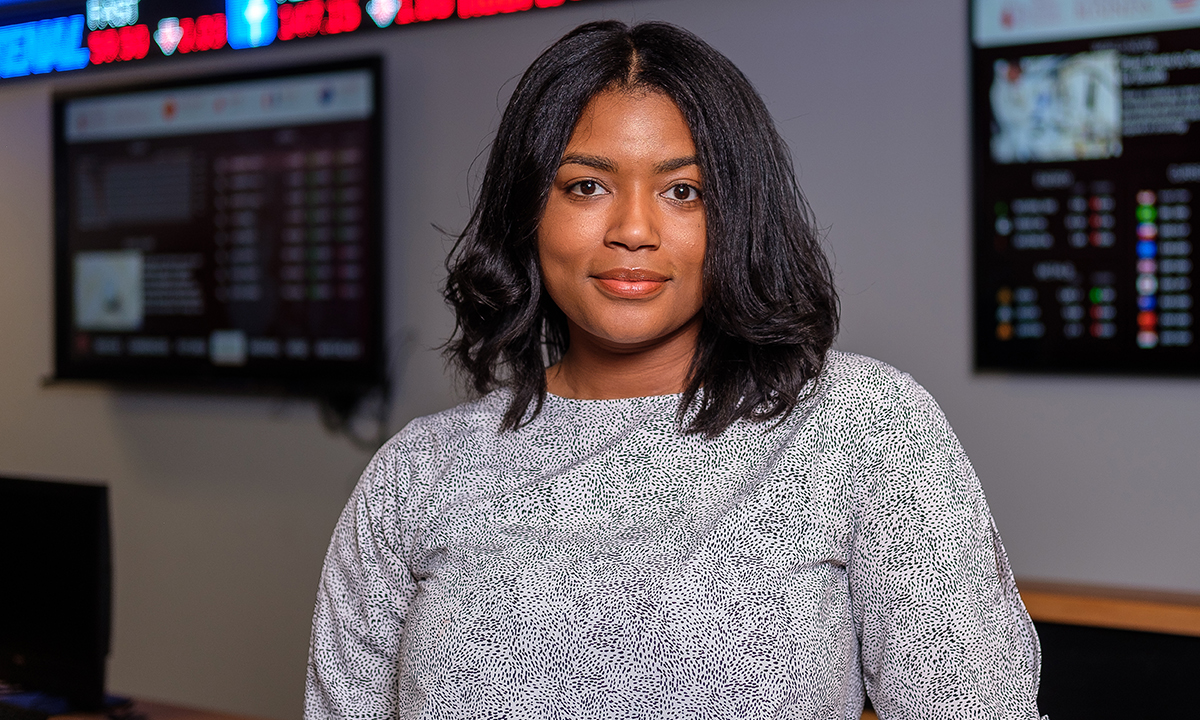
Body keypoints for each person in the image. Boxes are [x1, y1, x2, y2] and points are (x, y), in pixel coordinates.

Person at [306, 20, 1043, 720]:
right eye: (586, 186)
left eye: (682, 192)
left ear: (739, 217)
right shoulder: (417, 475)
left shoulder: (863, 427)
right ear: (528, 212)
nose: (632, 229)